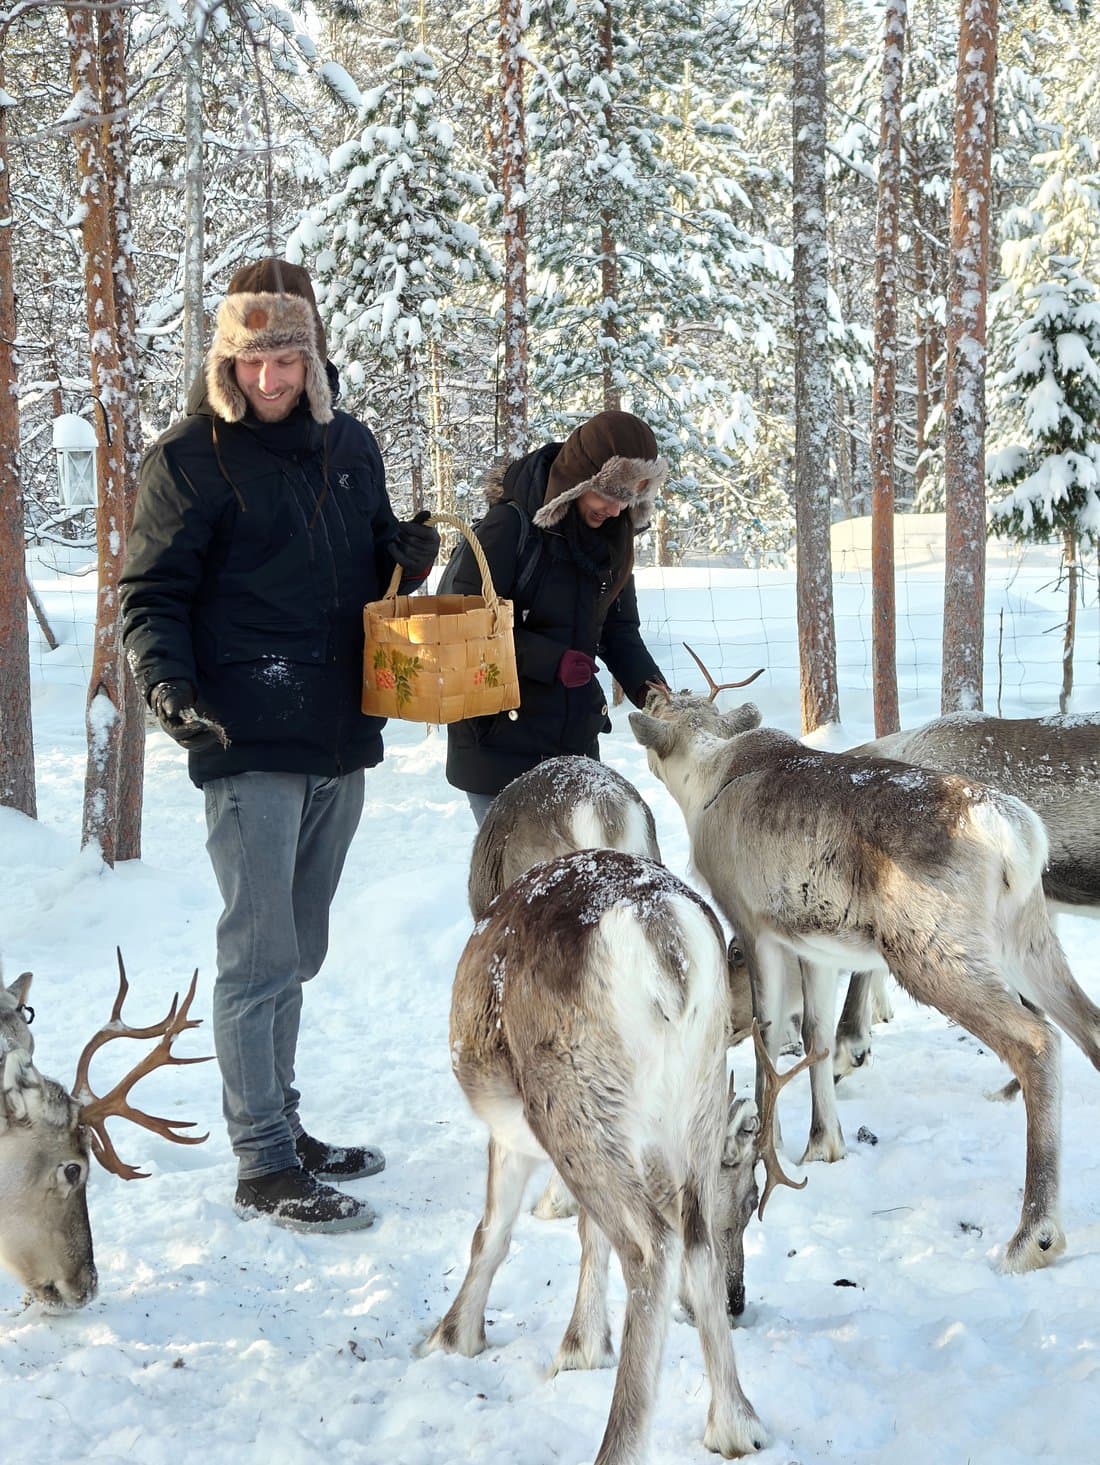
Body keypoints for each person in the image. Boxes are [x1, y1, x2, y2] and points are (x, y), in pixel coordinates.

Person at [119, 259, 439, 1234]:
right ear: (226, 359)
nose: (269, 378)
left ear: (313, 356)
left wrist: (406, 556)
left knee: (298, 948)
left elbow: (368, 567)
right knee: (258, 954)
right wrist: (166, 683)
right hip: (244, 729)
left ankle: (283, 1124)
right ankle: (261, 1161)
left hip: (339, 728)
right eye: (251, 359)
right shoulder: (188, 458)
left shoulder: (351, 445)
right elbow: (151, 593)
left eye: (286, 358)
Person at [445, 409, 668, 824]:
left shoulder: (613, 540)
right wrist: (552, 661)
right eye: (608, 494)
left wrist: (653, 693)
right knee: (525, 869)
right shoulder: (509, 526)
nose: (615, 509)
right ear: (581, 478)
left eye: (628, 498)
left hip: (573, 747)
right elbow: (464, 627)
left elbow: (619, 631)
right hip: (498, 749)